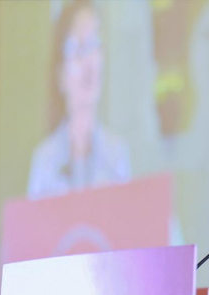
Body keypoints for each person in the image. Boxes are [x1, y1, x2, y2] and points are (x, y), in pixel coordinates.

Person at [28, 0, 131, 199]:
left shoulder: (116, 153)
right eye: (79, 48)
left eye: (94, 45)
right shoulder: (45, 160)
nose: (89, 62)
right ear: (61, 74)